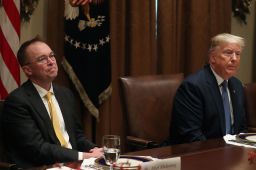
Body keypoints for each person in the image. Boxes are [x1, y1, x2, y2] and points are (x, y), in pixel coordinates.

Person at [1, 37, 103, 168]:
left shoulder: (65, 94)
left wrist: (94, 150)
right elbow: (37, 149)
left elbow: (77, 136)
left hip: (76, 163)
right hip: (44, 166)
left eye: (51, 55)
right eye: (42, 59)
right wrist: (82, 156)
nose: (51, 61)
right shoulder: (17, 102)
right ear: (28, 70)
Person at [168, 33, 247, 144]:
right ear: (212, 57)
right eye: (228, 53)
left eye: (238, 54)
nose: (234, 58)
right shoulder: (193, 86)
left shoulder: (237, 85)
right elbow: (191, 135)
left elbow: (241, 127)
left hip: (232, 153)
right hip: (200, 153)